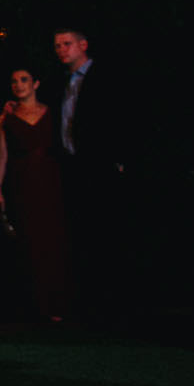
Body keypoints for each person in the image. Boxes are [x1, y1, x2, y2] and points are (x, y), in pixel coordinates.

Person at [53, 27, 129, 317]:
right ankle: (89, 300)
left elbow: (118, 115)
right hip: (74, 164)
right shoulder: (64, 81)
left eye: (67, 44)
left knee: (105, 231)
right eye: (58, 46)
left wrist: (118, 157)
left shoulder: (103, 76)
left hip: (100, 164)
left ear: (83, 45)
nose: (62, 50)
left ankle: (112, 301)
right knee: (82, 232)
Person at [0, 68, 71, 321]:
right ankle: (32, 305)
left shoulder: (52, 112)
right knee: (28, 240)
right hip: (22, 180)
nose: (19, 85)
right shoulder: (6, 117)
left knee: (52, 239)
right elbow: (2, 154)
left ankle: (55, 303)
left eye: (24, 80)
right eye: (14, 81)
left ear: (36, 84)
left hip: (49, 179)